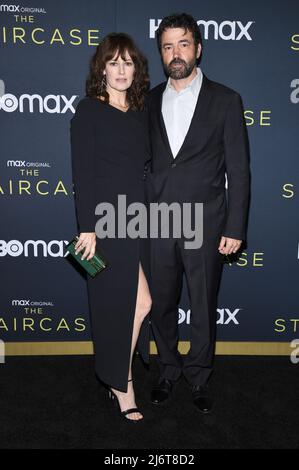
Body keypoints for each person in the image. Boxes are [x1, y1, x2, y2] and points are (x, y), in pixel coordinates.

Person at [147, 13, 250, 413]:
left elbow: (239, 170)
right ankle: (168, 371)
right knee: (163, 304)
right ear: (161, 53)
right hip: (157, 222)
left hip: (206, 223)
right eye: (168, 46)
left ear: (198, 48)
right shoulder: (150, 99)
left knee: (204, 304)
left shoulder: (226, 99)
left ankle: (199, 375)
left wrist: (235, 225)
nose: (176, 53)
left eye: (183, 44)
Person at [70, 33, 152, 422]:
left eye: (128, 63)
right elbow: (82, 174)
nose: (121, 70)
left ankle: (116, 375)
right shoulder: (88, 111)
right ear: (101, 67)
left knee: (138, 304)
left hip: (137, 220)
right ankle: (122, 385)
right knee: (121, 306)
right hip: (105, 223)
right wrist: (87, 227)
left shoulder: (140, 112)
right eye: (113, 62)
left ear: (136, 69)